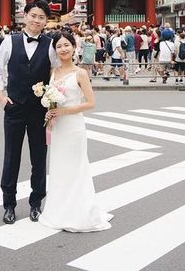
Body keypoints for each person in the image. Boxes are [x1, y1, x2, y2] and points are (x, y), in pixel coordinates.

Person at [0, 0, 59, 225]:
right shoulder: (9, 41)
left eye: (41, 17)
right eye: (33, 15)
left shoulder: (50, 45)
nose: (37, 20)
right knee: (11, 157)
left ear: (46, 21)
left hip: (40, 110)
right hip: (14, 107)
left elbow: (56, 74)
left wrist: (52, 101)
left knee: (39, 157)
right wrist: (1, 98)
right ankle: (9, 205)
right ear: (25, 15)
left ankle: (36, 203)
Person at [39, 31, 112, 232]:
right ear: (55, 50)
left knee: (76, 168)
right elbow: (50, 98)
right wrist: (50, 110)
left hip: (73, 127)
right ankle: (59, 211)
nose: (63, 49)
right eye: (59, 46)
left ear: (74, 47)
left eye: (66, 45)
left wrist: (63, 111)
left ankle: (78, 213)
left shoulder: (80, 73)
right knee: (59, 168)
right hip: (58, 127)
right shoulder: (53, 72)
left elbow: (90, 103)